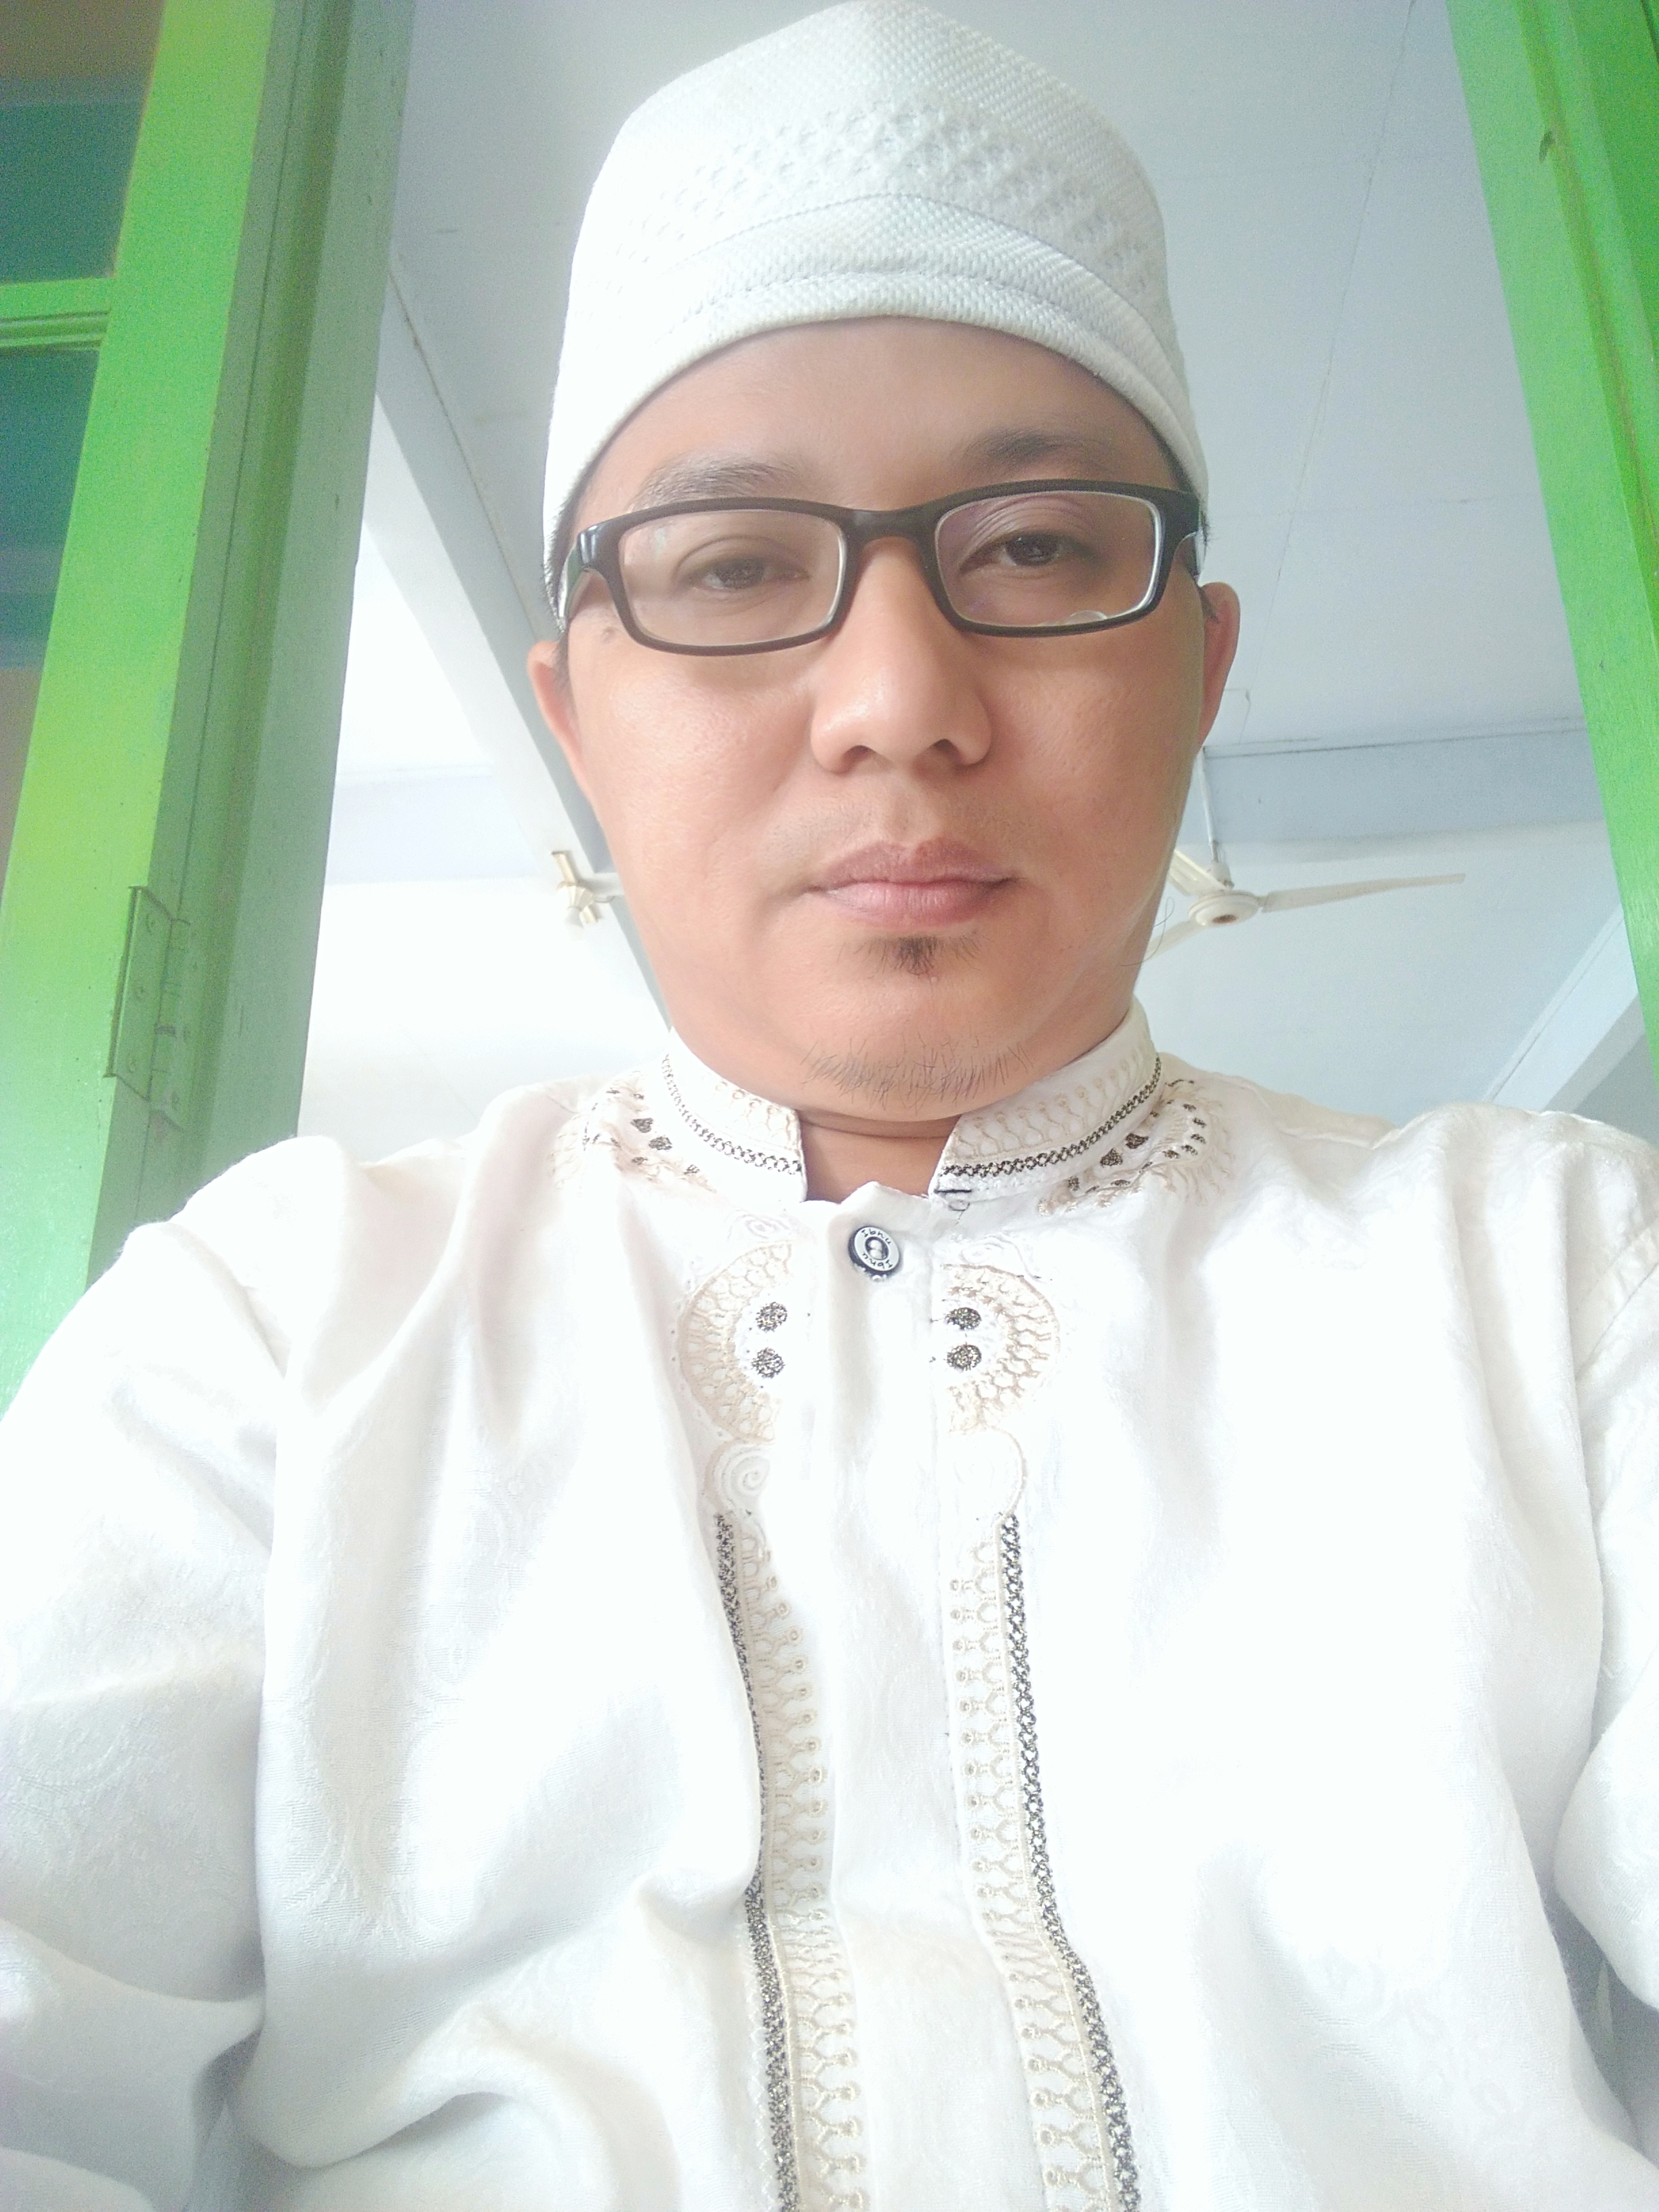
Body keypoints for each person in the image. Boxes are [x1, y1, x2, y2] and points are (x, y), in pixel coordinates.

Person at [3, 4, 1657, 2206]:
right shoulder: (280, 1336)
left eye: (1040, 550)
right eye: (731, 568)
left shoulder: (1553, 1277)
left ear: (1199, 669)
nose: (898, 702)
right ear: (575, 716)